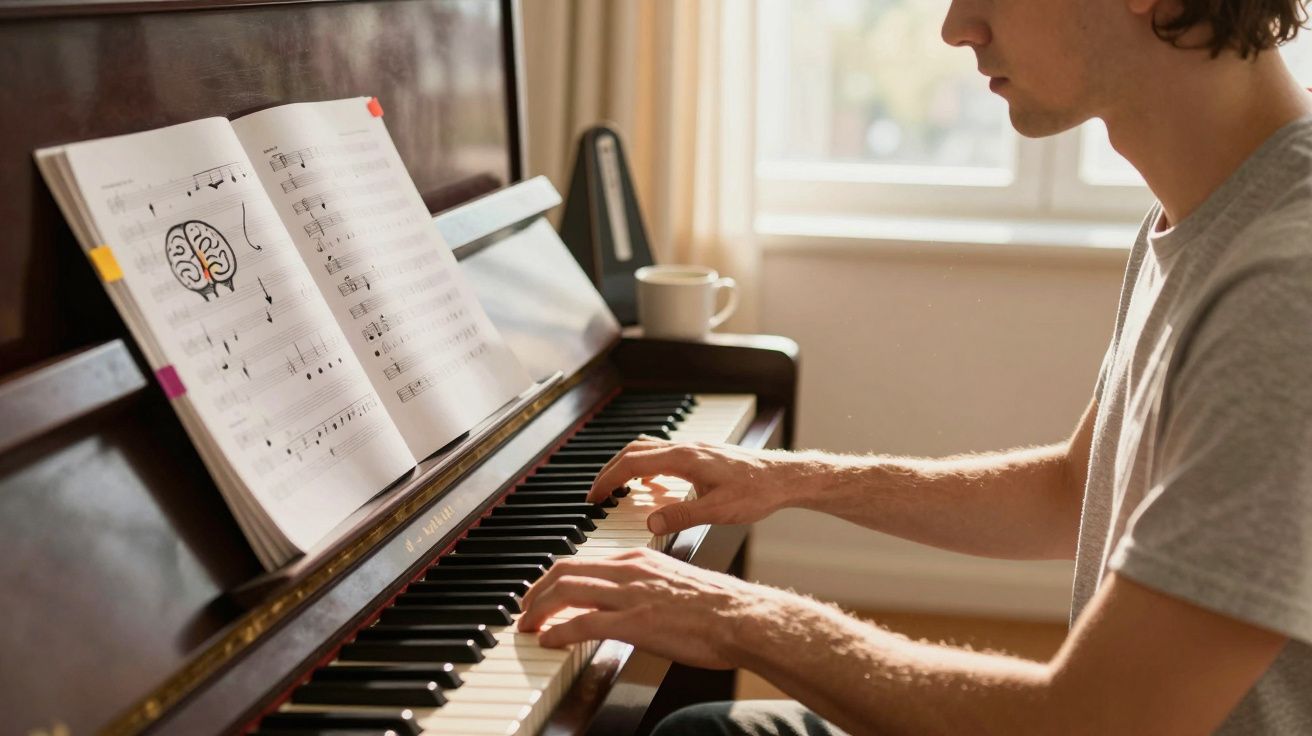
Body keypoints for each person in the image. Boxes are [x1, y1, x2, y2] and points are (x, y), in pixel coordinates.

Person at [517, 0, 1312, 732]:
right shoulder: (1201, 214)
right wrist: (794, 480)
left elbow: (1096, 719)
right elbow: (1076, 490)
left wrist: (742, 620)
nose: (956, 26)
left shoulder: (1284, 289)